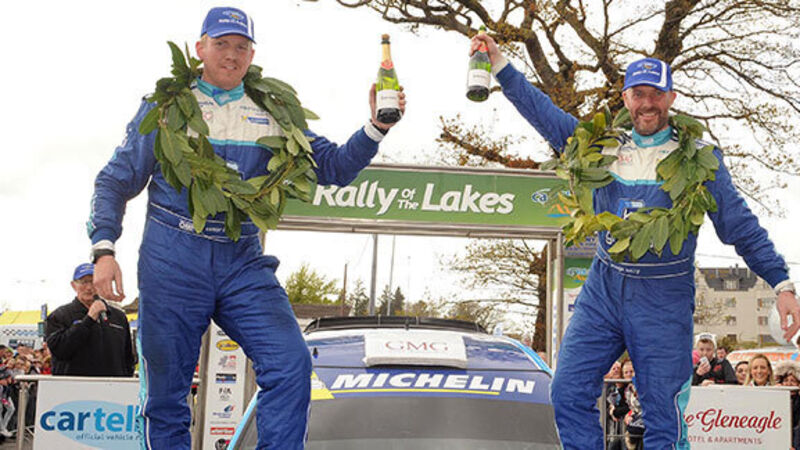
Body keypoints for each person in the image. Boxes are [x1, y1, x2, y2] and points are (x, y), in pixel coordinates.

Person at [87, 7, 406, 449]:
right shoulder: (165, 108)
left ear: (252, 56)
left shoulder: (273, 111)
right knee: (165, 396)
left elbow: (333, 166)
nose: (231, 55)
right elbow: (114, 181)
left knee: (291, 365)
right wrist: (104, 249)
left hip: (242, 260)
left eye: (241, 46)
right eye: (221, 44)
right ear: (200, 48)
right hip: (171, 256)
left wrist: (377, 126)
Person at [469, 33, 800, 450]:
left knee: (663, 415)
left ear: (671, 97)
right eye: (638, 94)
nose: (648, 104)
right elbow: (543, 114)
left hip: (664, 297)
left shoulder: (701, 160)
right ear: (625, 98)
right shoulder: (600, 148)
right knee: (567, 390)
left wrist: (782, 284)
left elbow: (741, 228)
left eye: (656, 94)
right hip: (603, 290)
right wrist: (500, 65)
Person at [45, 263, 135, 377]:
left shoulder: (118, 317)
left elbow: (128, 358)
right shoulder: (59, 316)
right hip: (74, 385)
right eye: (84, 282)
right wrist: (89, 320)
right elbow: (60, 351)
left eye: (93, 282)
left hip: (112, 385)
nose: (89, 287)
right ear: (74, 285)